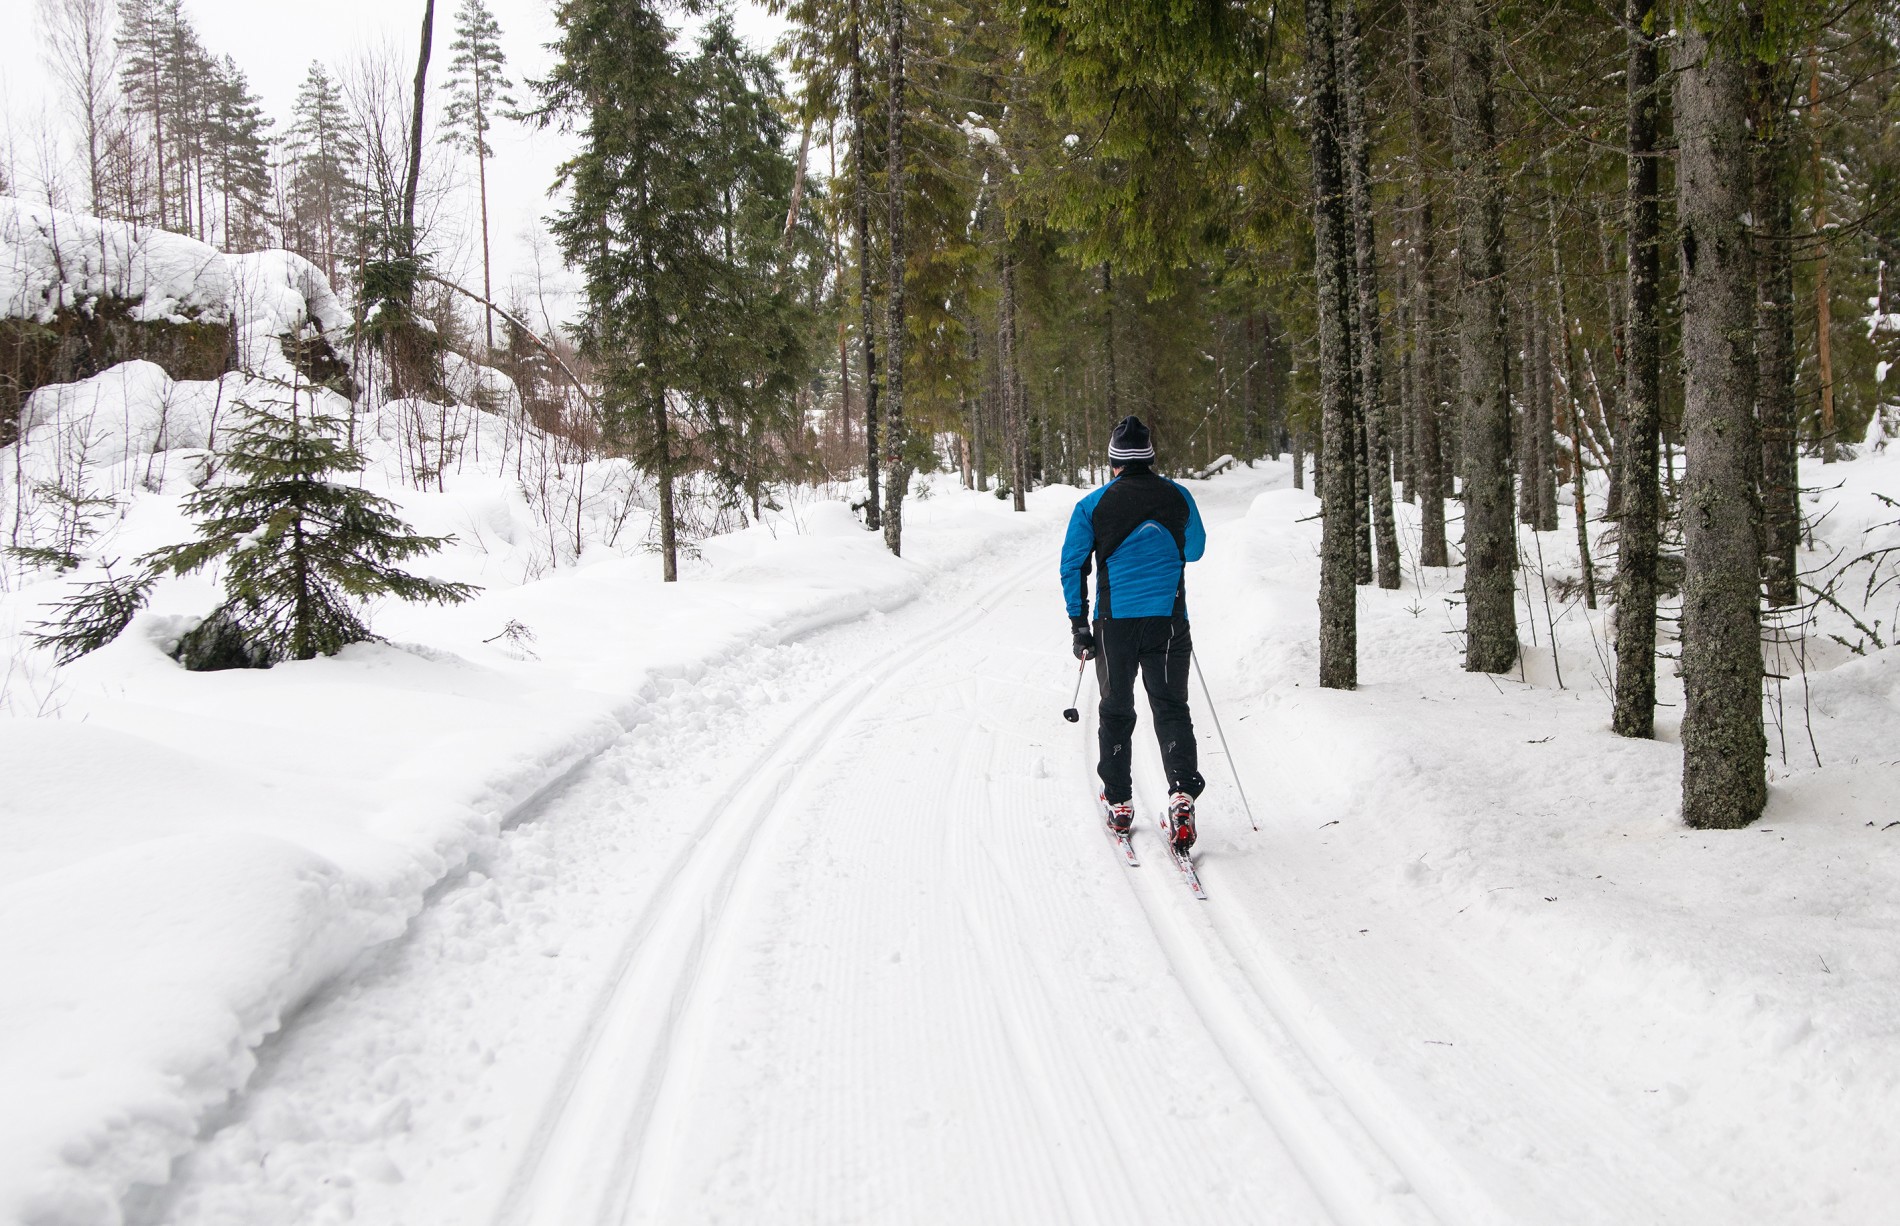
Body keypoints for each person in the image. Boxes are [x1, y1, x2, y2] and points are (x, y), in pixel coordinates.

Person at [1060, 415, 1207, 851]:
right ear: (1150, 457)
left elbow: (1072, 565)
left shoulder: (1092, 505)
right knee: (1171, 707)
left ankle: (1120, 804)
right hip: (1168, 621)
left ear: (1113, 462)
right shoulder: (1178, 496)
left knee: (1117, 709)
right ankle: (1181, 796)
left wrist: (1078, 624)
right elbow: (1195, 550)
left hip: (1115, 625)